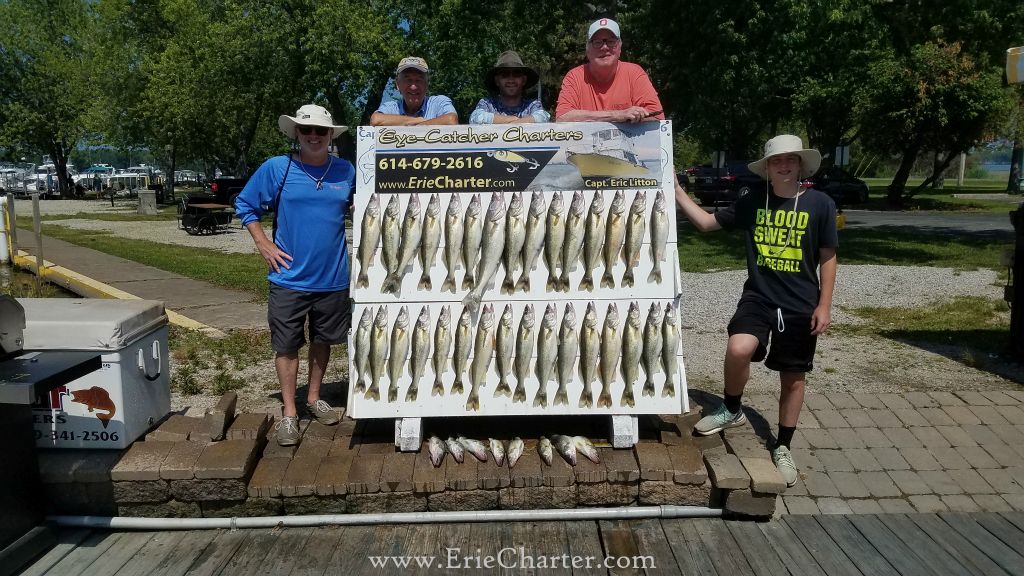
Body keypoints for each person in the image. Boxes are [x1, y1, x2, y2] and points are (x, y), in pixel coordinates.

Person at [674, 134, 838, 486]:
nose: (783, 165)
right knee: (739, 347)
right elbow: (705, 224)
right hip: (759, 297)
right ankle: (732, 408)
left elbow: (828, 256)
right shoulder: (752, 199)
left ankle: (783, 445)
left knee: (792, 379)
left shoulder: (821, 204)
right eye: (776, 161)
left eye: (789, 160)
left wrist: (824, 305)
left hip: (800, 305)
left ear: (799, 164)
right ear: (767, 167)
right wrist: (675, 191)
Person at [235, 104, 355, 446]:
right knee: (287, 346)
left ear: (331, 135)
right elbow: (245, 205)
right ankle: (290, 412)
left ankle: (314, 397)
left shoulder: (345, 171)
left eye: (321, 130)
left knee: (323, 341)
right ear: (297, 134)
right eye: (307, 131)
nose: (314, 136)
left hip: (333, 277)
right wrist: (263, 244)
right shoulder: (278, 168)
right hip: (288, 278)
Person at [555, 18, 665, 123]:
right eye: (597, 42)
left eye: (611, 41)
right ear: (587, 50)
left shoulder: (634, 73)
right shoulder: (574, 77)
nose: (604, 47)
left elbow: (657, 116)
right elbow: (562, 117)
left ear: (620, 47)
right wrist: (618, 115)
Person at [370, 56, 458, 126]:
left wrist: (415, 126)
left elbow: (451, 120)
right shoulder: (391, 107)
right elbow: (375, 120)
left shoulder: (439, 103)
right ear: (397, 84)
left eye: (419, 80)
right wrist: (418, 120)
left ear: (427, 84)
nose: (413, 86)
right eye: (408, 80)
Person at [469, 51, 550, 124]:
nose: (511, 79)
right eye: (504, 74)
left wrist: (518, 123)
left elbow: (543, 117)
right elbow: (475, 118)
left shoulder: (532, 105)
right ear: (497, 81)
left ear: (524, 80)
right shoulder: (488, 104)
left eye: (517, 73)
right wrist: (511, 119)